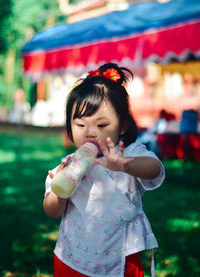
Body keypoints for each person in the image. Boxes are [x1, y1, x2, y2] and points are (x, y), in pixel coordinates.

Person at [43, 62, 165, 277]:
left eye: (101, 125)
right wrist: (59, 192)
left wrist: (126, 165)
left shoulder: (127, 153)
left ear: (123, 125)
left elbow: (154, 169)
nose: (90, 133)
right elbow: (52, 210)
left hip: (120, 256)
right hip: (72, 256)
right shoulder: (68, 165)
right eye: (80, 125)